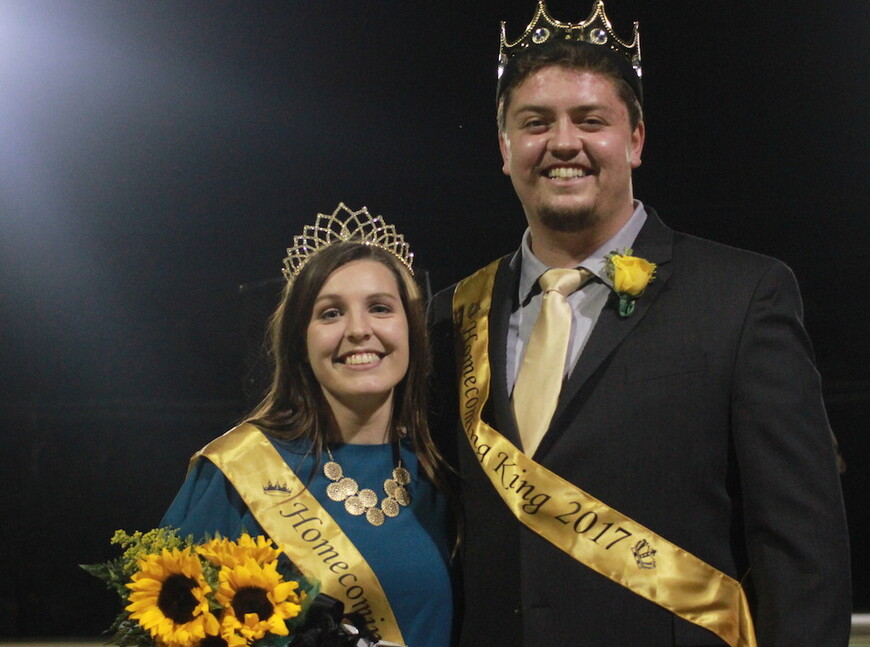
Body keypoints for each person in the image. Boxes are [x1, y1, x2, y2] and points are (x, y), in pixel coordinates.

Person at [429, 2, 851, 646]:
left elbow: (802, 548)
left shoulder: (743, 296)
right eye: (535, 123)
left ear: (636, 140)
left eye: (591, 121)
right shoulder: (448, 317)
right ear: (505, 148)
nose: (563, 143)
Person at [163, 203, 453, 647]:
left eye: (379, 308)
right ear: (300, 341)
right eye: (331, 313)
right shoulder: (238, 472)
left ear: (412, 330)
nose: (358, 330)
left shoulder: (440, 473)